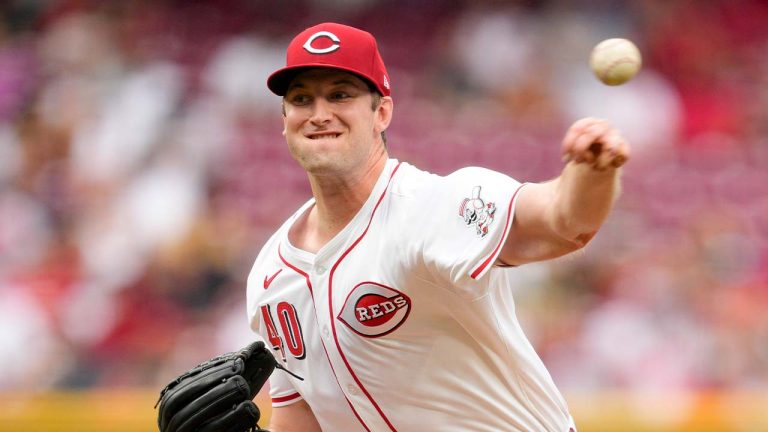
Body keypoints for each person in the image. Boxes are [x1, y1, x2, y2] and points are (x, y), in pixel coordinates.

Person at [247, 22, 630, 432]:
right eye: (302, 99)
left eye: (340, 94)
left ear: (382, 113)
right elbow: (303, 415)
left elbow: (562, 222)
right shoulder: (272, 275)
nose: (320, 114)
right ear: (285, 120)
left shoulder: (433, 206)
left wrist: (592, 173)